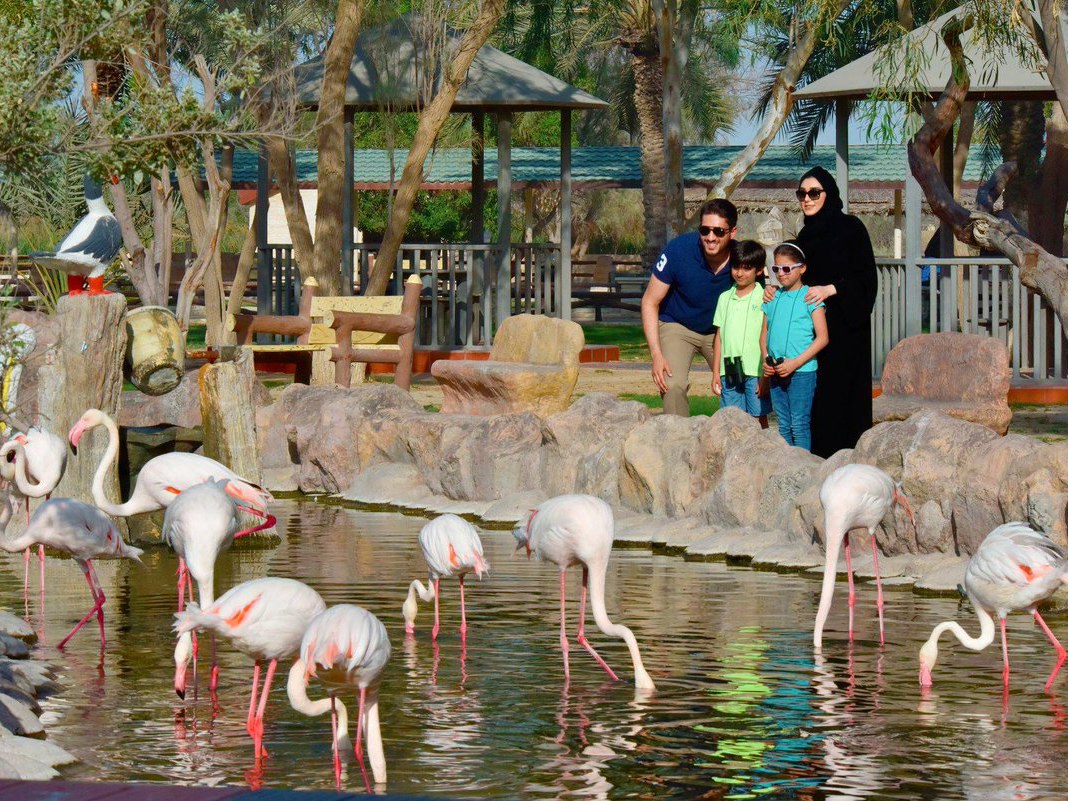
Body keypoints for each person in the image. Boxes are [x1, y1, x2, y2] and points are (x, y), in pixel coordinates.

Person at [764, 166, 877, 457]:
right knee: (809, 409)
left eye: (814, 193)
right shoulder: (804, 238)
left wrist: (831, 289)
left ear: (829, 194)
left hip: (844, 334)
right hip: (809, 335)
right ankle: (810, 463)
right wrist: (773, 289)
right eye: (802, 193)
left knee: (841, 402)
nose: (807, 199)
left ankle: (846, 466)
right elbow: (792, 277)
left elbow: (866, 280)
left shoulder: (851, 229)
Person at [642, 198, 738, 416]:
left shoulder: (742, 259)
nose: (710, 237)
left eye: (718, 231)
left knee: (736, 383)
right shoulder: (678, 250)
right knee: (672, 385)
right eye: (705, 230)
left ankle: (739, 435)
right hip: (678, 325)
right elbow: (649, 301)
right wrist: (656, 354)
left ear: (732, 232)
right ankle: (678, 434)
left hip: (721, 330)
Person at [761, 241, 828, 451]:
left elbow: (823, 338)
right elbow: (763, 334)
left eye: (787, 268)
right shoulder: (772, 297)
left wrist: (795, 363)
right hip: (776, 371)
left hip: (802, 372)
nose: (781, 274)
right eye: (776, 269)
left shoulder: (811, 297)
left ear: (802, 268)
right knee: (783, 424)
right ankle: (786, 467)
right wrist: (765, 359)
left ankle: (803, 467)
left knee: (799, 424)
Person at [711, 240, 770, 428]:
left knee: (758, 419)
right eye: (736, 266)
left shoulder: (766, 298)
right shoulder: (724, 298)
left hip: (756, 370)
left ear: (758, 271)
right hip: (729, 369)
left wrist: (765, 375)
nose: (739, 273)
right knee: (731, 421)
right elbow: (719, 338)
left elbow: (767, 338)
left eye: (746, 268)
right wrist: (716, 372)